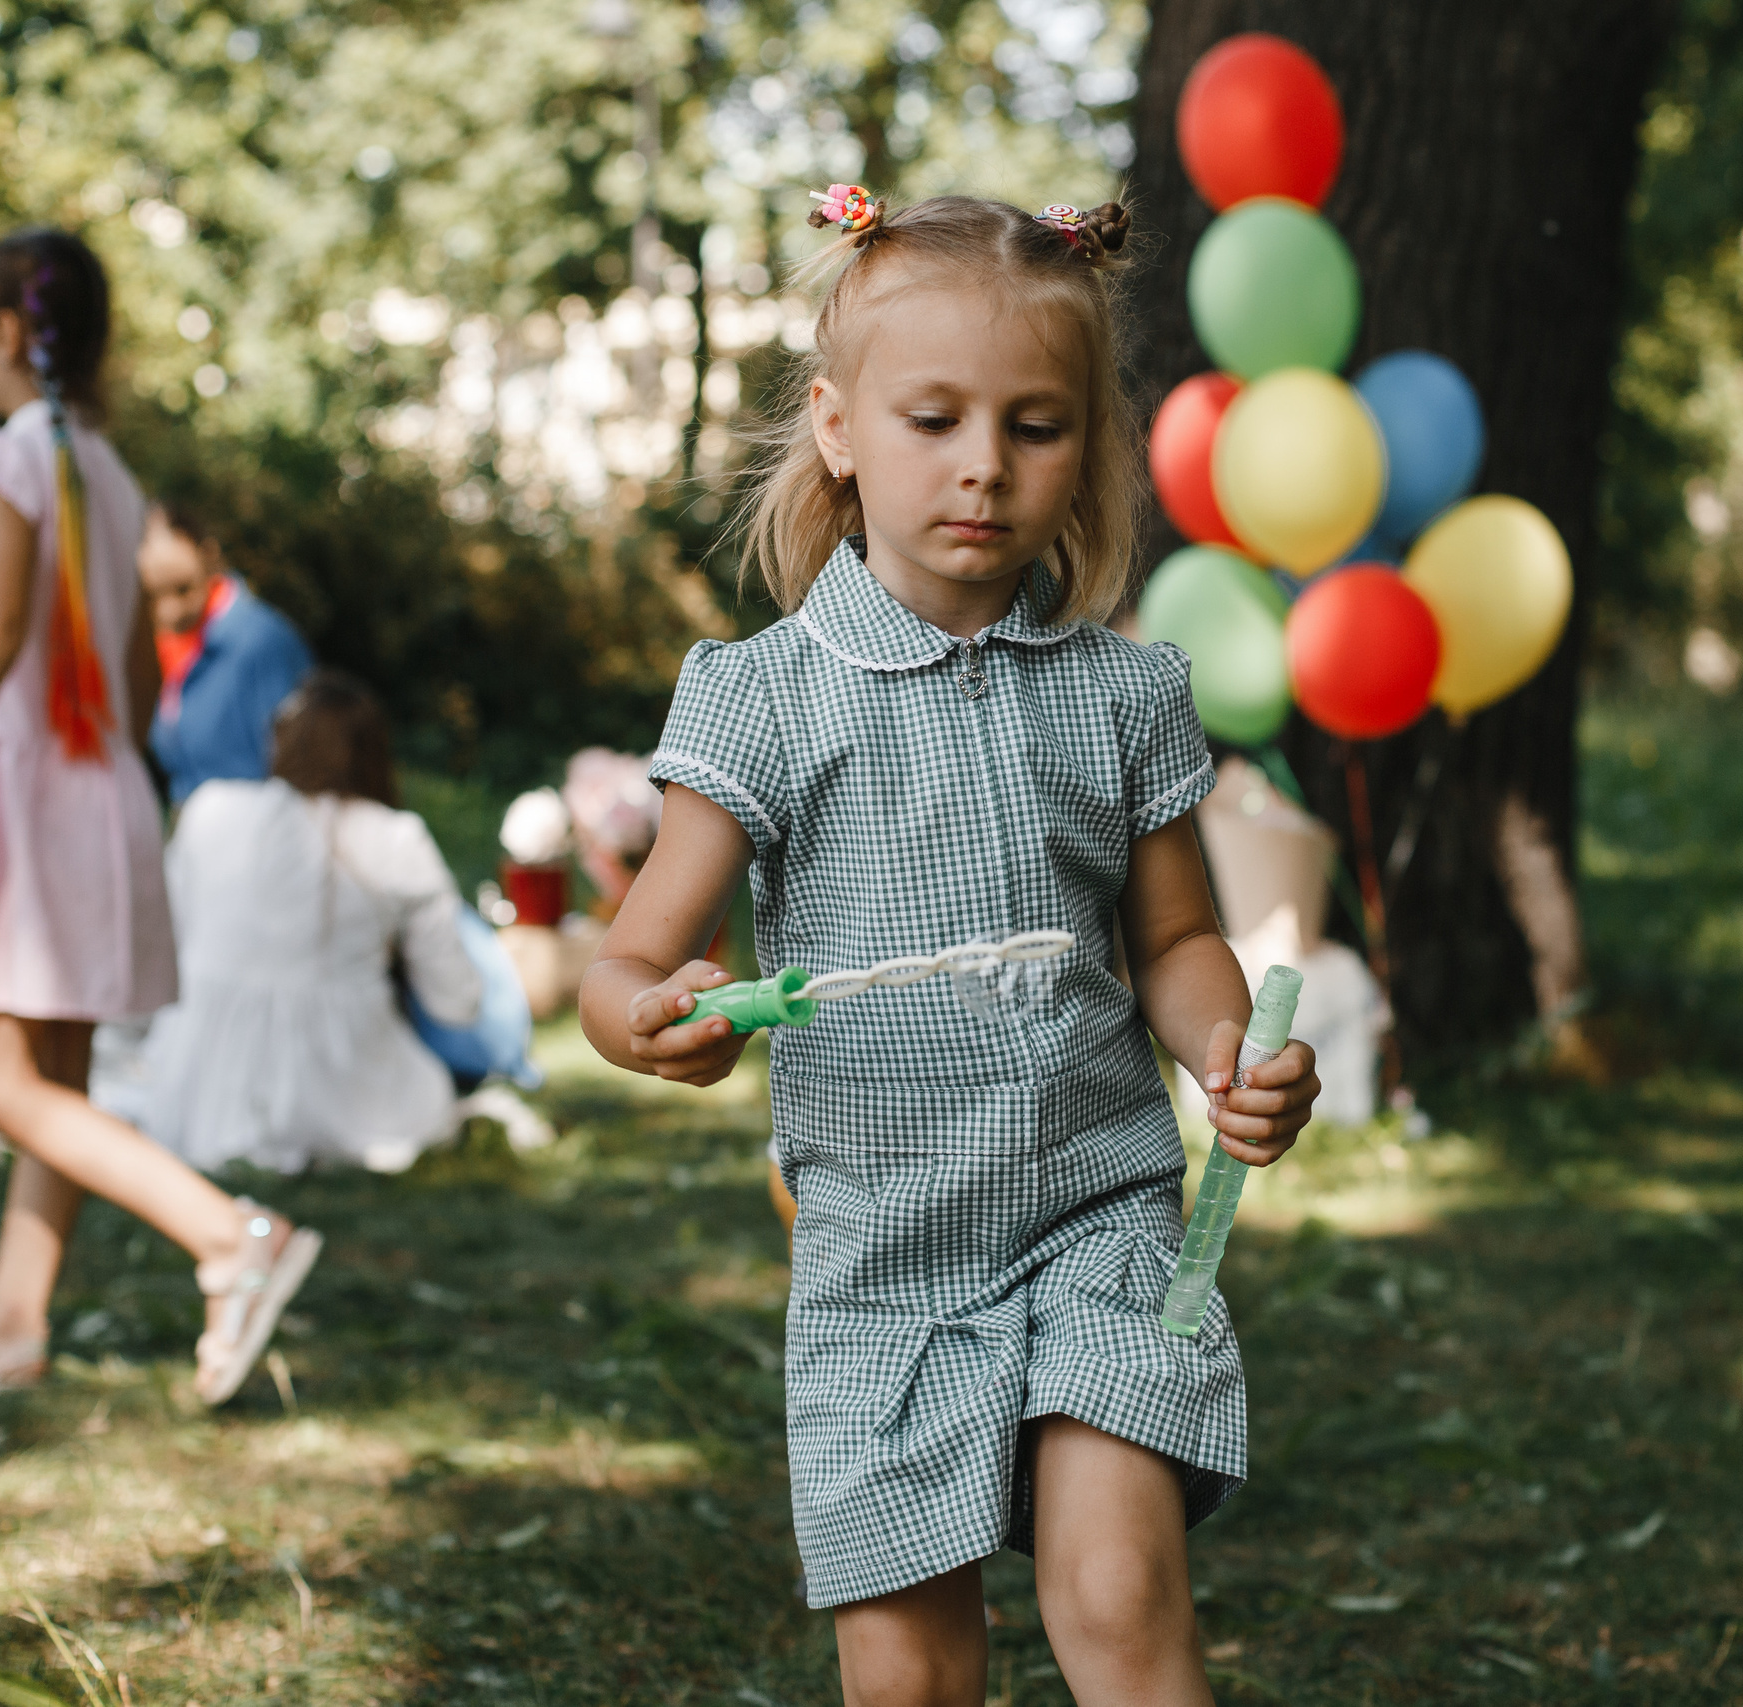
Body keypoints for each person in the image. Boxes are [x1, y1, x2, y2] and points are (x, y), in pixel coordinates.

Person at [580, 191, 1322, 1706]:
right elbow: (626, 958)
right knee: (912, 1671)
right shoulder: (763, 699)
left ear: (1089, 449)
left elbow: (1175, 931)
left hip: (1098, 1218)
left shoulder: (1126, 694)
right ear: (841, 427)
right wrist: (649, 1013)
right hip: (883, 1255)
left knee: (1116, 1591)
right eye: (935, 419)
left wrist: (1226, 1050)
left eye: (1037, 426)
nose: (985, 463)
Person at [0, 228, 319, 1407]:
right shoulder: (108, 474)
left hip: (15, 788)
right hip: (93, 785)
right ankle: (12, 1319)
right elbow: (135, 673)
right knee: (52, 1078)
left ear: (7, 331)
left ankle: (230, 1236)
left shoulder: (8, 457)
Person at [139, 672, 486, 1174]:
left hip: (199, 1084)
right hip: (348, 1083)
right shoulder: (395, 837)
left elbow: (163, 945)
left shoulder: (210, 810)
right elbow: (457, 1001)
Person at [138, 500, 314, 805]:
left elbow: (303, 768)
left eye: (183, 589)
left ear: (209, 555)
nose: (169, 613)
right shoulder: (155, 649)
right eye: (152, 596)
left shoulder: (263, 642)